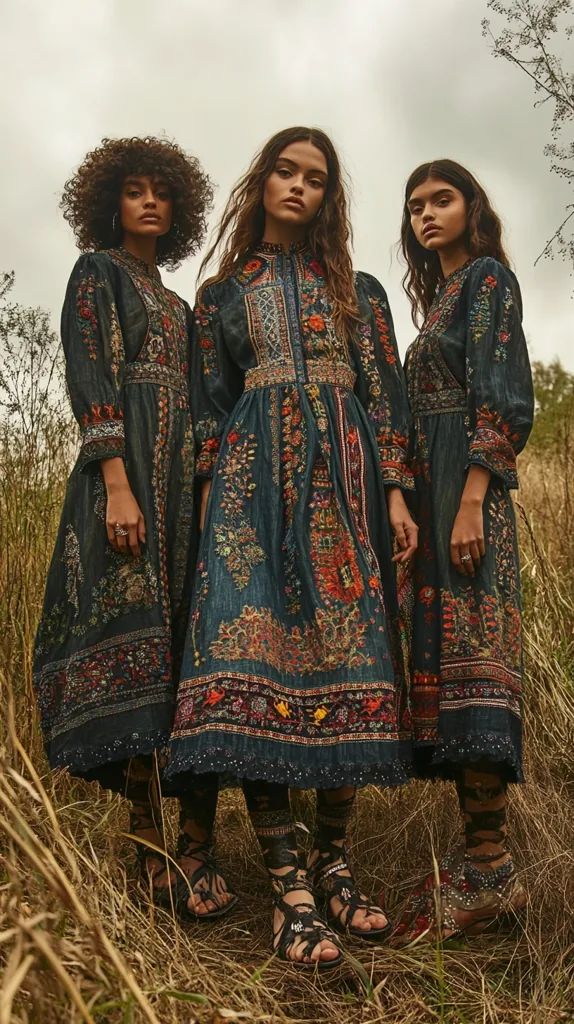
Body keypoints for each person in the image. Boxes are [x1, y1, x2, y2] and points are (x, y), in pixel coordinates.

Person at [165, 126, 418, 967]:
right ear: (262, 178)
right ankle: (289, 885)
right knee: (252, 656)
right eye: (286, 169)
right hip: (247, 488)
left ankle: (335, 862)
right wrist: (207, 504)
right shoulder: (219, 296)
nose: (299, 186)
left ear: (329, 197)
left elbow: (384, 399)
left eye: (316, 178)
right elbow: (207, 408)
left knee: (352, 656)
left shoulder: (360, 290)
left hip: (343, 486)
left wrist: (394, 493)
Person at [33, 136, 236, 919]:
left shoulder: (184, 307)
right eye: (134, 191)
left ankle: (198, 846)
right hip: (125, 485)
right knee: (141, 663)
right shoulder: (100, 274)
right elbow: (93, 379)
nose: (149, 202)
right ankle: (149, 843)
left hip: (186, 496)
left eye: (162, 193)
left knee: (189, 656)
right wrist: (119, 485)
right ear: (110, 202)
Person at [394, 159, 534, 944]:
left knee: (479, 665)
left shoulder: (486, 281)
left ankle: (491, 870)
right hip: (433, 500)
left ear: (472, 207)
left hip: (469, 501)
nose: (426, 214)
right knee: (449, 672)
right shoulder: (441, 302)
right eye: (414, 206)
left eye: (441, 199)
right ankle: (482, 865)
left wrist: (472, 501)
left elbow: (504, 398)